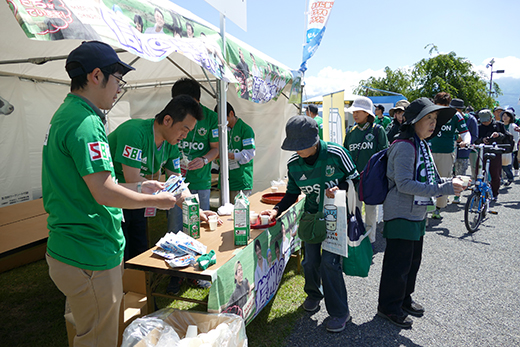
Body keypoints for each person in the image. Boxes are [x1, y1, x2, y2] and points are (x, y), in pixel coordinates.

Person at [41, 41, 180, 347]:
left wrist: (143, 187)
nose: (119, 89)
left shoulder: (67, 114)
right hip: (88, 251)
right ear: (95, 76)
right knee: (98, 339)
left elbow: (95, 185)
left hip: (72, 246)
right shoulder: (86, 122)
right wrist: (156, 200)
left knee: (87, 330)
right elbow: (104, 192)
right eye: (118, 80)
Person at [261, 115, 359, 333]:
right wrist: (276, 210)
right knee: (310, 262)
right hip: (312, 218)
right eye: (295, 147)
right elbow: (292, 194)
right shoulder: (294, 165)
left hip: (337, 217)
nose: (299, 151)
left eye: (303, 146)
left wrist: (340, 188)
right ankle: (314, 294)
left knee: (330, 264)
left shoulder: (336, 154)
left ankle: (340, 312)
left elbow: (355, 178)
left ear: (315, 140)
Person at [378, 97, 464, 329]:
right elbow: (405, 184)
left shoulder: (421, 144)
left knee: (412, 261)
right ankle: (389, 306)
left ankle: (403, 299)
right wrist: (444, 188)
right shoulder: (405, 146)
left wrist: (450, 182)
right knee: (398, 264)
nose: (433, 123)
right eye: (429, 118)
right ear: (414, 120)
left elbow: (430, 179)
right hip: (401, 213)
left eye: (435, 119)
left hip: (416, 212)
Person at [108, 96, 204, 261]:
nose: (185, 136)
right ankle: (123, 284)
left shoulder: (171, 144)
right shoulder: (134, 132)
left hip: (139, 196)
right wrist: (161, 197)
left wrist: (197, 211)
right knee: (120, 250)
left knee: (139, 247)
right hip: (112, 199)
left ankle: (136, 283)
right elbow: (133, 180)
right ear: (167, 120)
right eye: (184, 129)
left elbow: (177, 183)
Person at [167, 78, 219, 291]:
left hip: (202, 181)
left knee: (199, 227)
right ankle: (174, 273)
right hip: (176, 181)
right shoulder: (170, 116)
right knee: (175, 227)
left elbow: (215, 149)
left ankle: (197, 270)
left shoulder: (211, 118)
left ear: (197, 101)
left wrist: (205, 159)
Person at [343, 96, 388, 245]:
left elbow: (384, 155)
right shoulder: (350, 132)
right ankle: (356, 239)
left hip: (371, 180)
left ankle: (370, 241)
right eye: (354, 112)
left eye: (359, 111)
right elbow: (345, 155)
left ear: (368, 113)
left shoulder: (377, 130)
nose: (355, 114)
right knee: (354, 211)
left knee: (370, 211)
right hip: (354, 180)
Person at [429, 95, 470, 219]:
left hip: (446, 153)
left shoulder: (455, 115)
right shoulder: (430, 113)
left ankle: (438, 208)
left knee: (443, 179)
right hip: (428, 150)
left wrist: (466, 141)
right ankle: (426, 208)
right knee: (426, 179)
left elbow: (465, 132)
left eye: (444, 105)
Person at [214, 102, 255, 202]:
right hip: (224, 181)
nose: (221, 122)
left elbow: (249, 153)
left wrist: (230, 156)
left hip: (241, 181)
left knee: (240, 213)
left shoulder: (245, 130)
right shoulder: (220, 130)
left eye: (224, 118)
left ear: (231, 114)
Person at [474, 109, 510, 201]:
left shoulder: (499, 125)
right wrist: (482, 140)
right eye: (483, 121)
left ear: (491, 117)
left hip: (496, 152)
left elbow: (506, 137)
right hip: (482, 151)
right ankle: (478, 191)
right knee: (478, 172)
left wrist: (498, 135)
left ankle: (495, 193)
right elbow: (474, 139)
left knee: (495, 174)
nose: (485, 123)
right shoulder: (479, 127)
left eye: (487, 120)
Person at [452, 104, 479, 203]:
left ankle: (457, 196)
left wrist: (464, 142)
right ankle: (444, 197)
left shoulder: (471, 119)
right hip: (449, 151)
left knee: (460, 174)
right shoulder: (448, 119)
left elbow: (475, 135)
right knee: (448, 174)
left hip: (463, 152)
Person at [499, 109, 518, 185]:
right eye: (503, 116)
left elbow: (516, 138)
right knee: (499, 165)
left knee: (506, 166)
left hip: (510, 149)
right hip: (500, 148)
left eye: (507, 116)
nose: (505, 117)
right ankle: (500, 179)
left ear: (511, 117)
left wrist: (511, 145)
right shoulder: (500, 125)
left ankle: (510, 178)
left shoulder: (513, 126)